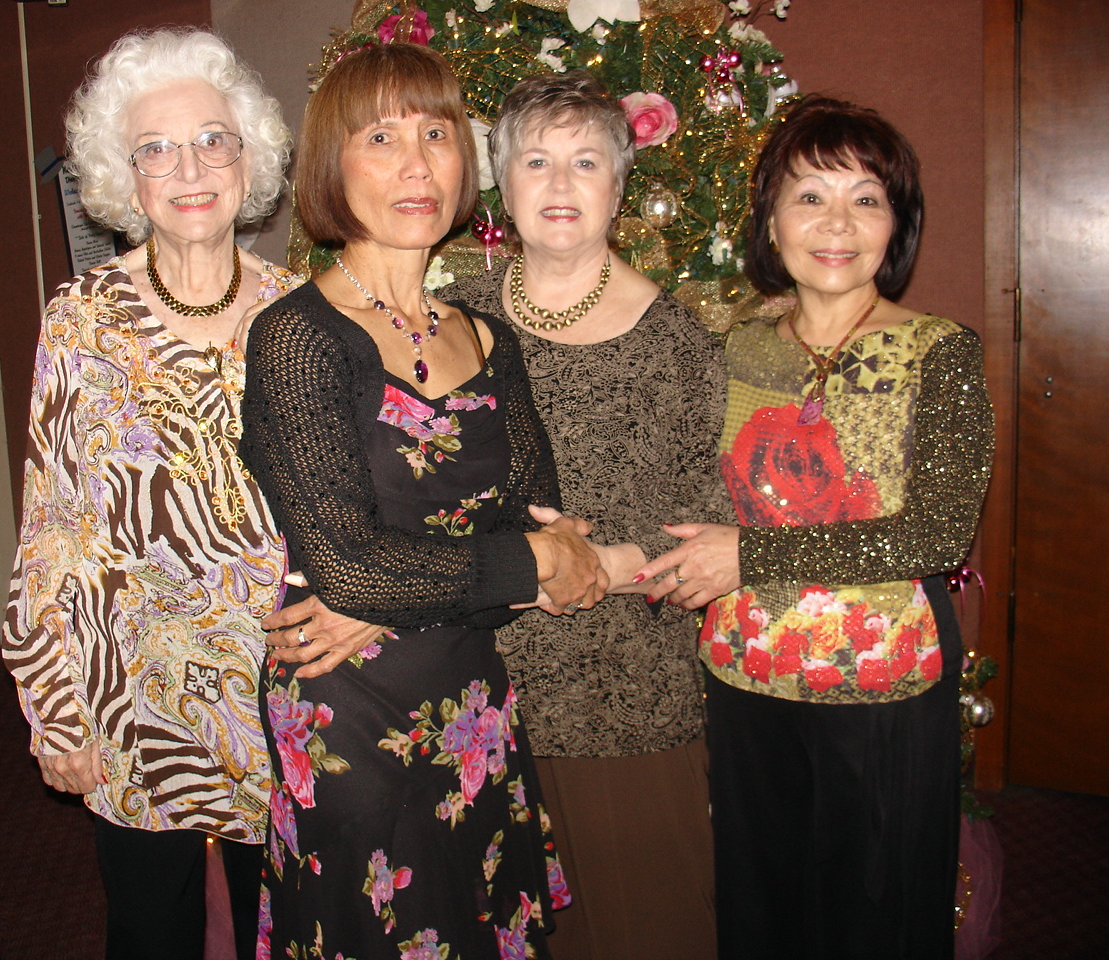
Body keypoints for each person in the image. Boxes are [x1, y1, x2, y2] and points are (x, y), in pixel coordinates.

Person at [239, 43, 606, 960]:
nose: (417, 165)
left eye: (437, 134)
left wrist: (392, 593)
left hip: (470, 696)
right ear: (332, 167)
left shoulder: (486, 336)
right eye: (381, 138)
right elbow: (354, 565)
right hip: (352, 710)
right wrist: (517, 562)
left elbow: (536, 512)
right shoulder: (296, 338)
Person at [635, 95, 995, 959]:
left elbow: (938, 534)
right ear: (770, 220)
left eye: (867, 199)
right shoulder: (737, 347)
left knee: (874, 917)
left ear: (897, 224)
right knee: (761, 909)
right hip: (746, 677)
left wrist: (750, 555)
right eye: (809, 197)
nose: (838, 223)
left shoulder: (938, 351)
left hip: (882, 689)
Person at [0, 28, 300, 960]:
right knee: (149, 933)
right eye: (155, 149)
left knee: (285, 930)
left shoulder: (303, 314)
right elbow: (53, 525)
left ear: (249, 157)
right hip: (132, 697)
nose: (190, 169)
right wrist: (54, 703)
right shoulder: (81, 320)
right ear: (124, 179)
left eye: (213, 139)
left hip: (283, 686)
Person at [444, 72, 729, 959]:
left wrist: (603, 565)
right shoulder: (450, 322)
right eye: (536, 161)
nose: (560, 183)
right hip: (474, 689)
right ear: (503, 185)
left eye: (586, 161)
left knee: (650, 930)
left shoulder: (681, 342)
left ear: (619, 185)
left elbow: (712, 512)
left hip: (630, 691)